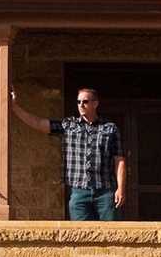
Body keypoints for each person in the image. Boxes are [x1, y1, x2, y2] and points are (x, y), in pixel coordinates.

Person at [11, 88, 125, 221]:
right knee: (80, 236)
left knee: (110, 235)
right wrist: (14, 107)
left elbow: (119, 160)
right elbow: (38, 123)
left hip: (105, 192)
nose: (81, 105)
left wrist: (121, 188)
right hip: (79, 192)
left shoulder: (109, 128)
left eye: (85, 101)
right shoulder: (69, 126)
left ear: (95, 103)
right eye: (78, 102)